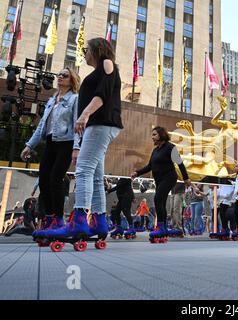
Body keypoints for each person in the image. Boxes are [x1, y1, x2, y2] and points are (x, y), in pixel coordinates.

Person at [44, 38, 123, 248]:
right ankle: (99, 222)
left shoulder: (107, 63)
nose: (84, 53)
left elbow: (103, 95)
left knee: (83, 170)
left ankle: (79, 220)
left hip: (101, 124)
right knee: (96, 176)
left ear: (97, 50)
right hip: (98, 125)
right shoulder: (102, 67)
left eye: (85, 49)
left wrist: (84, 115)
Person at [21, 68, 80, 239]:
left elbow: (77, 124)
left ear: (72, 80)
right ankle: (48, 218)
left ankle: (59, 220)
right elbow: (41, 126)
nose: (60, 77)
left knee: (56, 179)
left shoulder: (75, 99)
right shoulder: (52, 100)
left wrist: (76, 147)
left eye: (65, 75)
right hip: (50, 142)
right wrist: (29, 145)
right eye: (59, 75)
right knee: (44, 179)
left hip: (66, 143)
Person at [132, 126, 191, 243]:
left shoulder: (171, 147)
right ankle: (162, 227)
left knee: (158, 198)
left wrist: (186, 178)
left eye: (154, 135)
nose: (152, 137)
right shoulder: (155, 151)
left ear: (161, 135)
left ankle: (161, 226)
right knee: (161, 202)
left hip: (169, 178)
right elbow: (150, 166)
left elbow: (180, 163)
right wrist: (137, 172)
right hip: (158, 179)